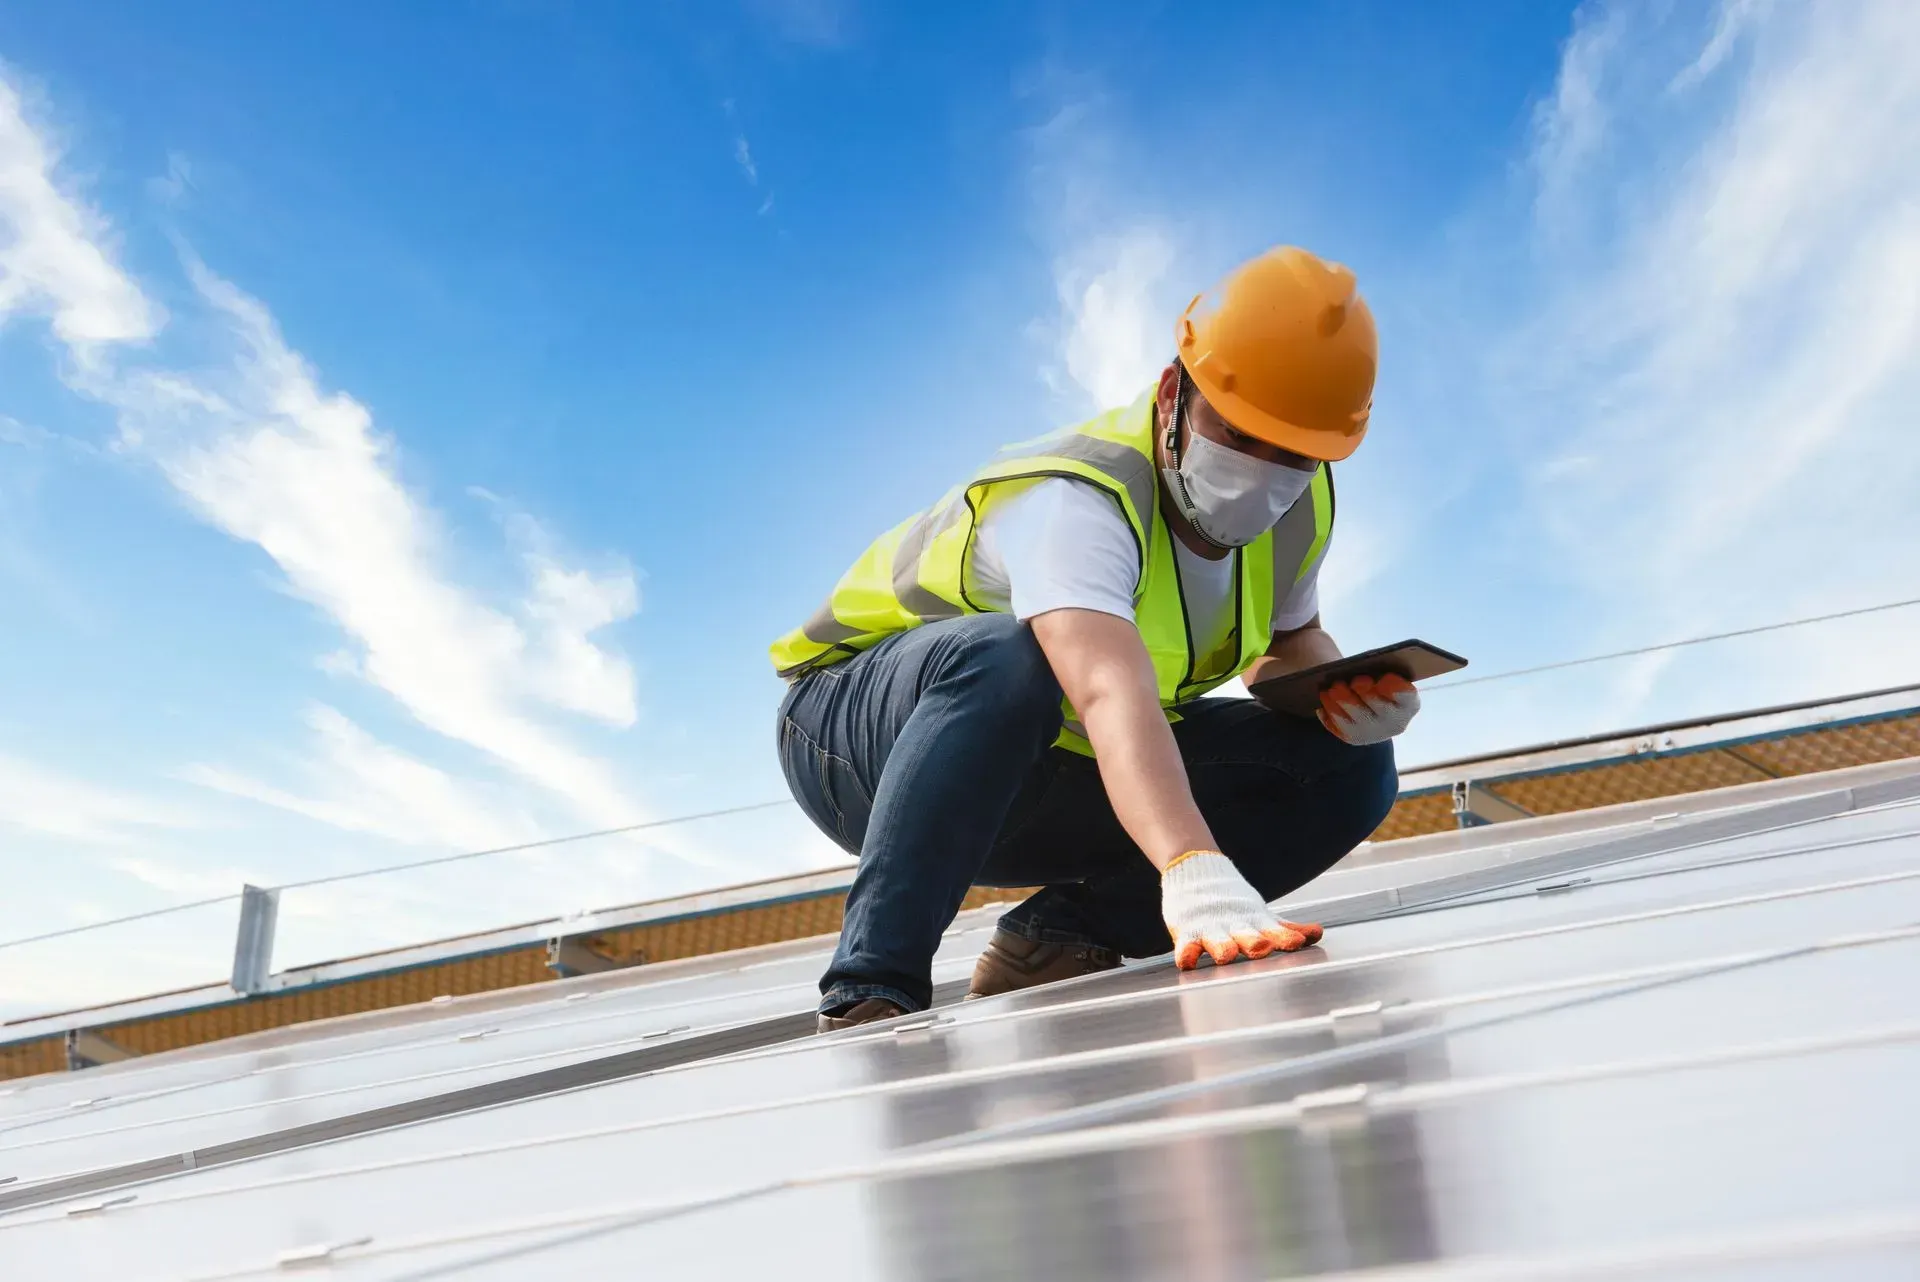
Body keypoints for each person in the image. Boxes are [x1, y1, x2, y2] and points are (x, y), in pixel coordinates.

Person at [770, 246, 1417, 1033]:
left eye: (1295, 454)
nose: (1263, 474)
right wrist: (1191, 866)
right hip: (858, 747)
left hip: (1044, 772)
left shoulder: (1299, 511)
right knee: (1010, 661)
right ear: (1175, 391)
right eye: (1239, 434)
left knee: (1348, 768)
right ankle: (874, 982)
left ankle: (1063, 937)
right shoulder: (1076, 497)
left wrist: (1346, 697)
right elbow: (1107, 688)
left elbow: (1287, 644)